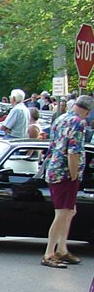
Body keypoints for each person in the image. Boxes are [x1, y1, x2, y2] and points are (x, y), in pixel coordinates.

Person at [41, 95, 92, 269]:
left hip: (55, 169)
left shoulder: (61, 118)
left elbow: (52, 144)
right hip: (65, 173)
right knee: (62, 213)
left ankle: (62, 248)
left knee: (70, 211)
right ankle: (49, 252)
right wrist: (74, 174)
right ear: (88, 110)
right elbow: (73, 151)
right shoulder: (78, 123)